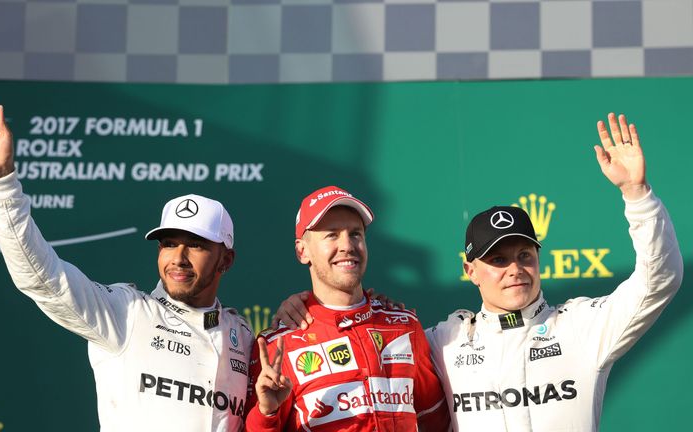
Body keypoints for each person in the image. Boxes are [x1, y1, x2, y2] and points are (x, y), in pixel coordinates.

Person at [273, 113, 683, 431]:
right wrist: (305, 305)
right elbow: (364, 325)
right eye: (498, 259)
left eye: (524, 254)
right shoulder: (443, 340)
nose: (515, 269)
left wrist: (636, 193)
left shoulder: (582, 327)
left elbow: (659, 279)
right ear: (470, 270)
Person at [0, 94, 253, 431]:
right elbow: (42, 277)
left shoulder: (242, 336)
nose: (178, 259)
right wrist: (3, 183)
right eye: (168, 244)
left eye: (196, 246)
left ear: (226, 259)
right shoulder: (126, 313)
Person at [246, 186, 452, 431]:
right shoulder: (277, 345)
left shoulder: (404, 325)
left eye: (355, 234)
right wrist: (266, 413)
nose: (347, 245)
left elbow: (435, 419)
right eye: (331, 235)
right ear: (302, 251)